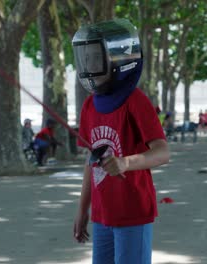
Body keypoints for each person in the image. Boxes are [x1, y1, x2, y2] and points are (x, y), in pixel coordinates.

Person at [71, 18, 170, 264]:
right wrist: (83, 209)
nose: (90, 64)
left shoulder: (135, 101)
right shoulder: (89, 106)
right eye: (88, 58)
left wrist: (125, 162)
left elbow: (162, 152)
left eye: (97, 58)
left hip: (133, 212)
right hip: (102, 214)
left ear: (117, 60)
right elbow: (90, 162)